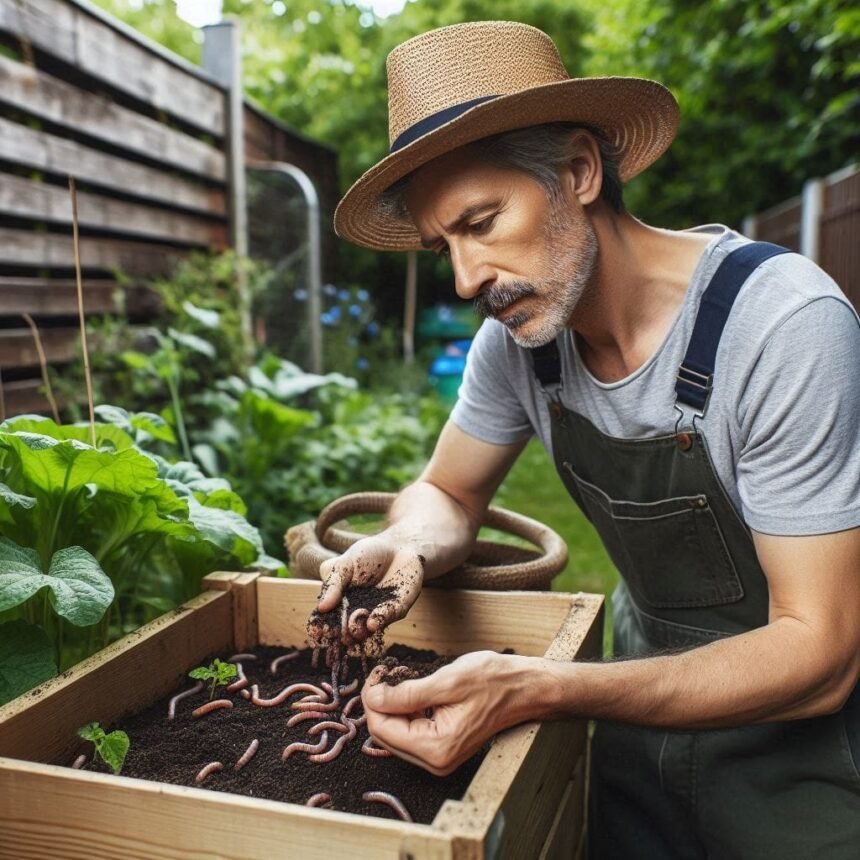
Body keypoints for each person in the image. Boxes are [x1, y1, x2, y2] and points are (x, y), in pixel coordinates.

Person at [319, 21, 860, 858]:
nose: (467, 281)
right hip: (634, 732)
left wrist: (538, 685)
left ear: (577, 171)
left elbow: (819, 651)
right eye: (444, 248)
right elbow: (450, 492)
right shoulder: (519, 346)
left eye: (483, 221)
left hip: (809, 762)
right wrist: (409, 547)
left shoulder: (781, 327)